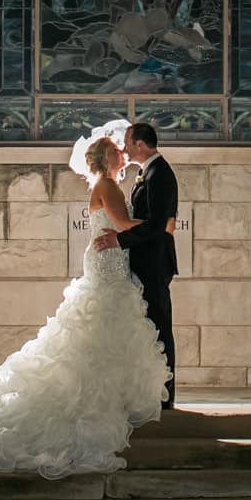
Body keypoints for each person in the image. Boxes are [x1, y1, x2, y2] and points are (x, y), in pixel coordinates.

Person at [0, 122, 171, 477]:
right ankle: (93, 398)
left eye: (124, 148)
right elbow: (120, 222)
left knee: (105, 328)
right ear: (107, 158)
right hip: (108, 262)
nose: (123, 152)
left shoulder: (109, 184)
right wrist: (160, 225)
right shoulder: (108, 186)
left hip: (110, 259)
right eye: (117, 150)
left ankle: (109, 392)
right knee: (102, 324)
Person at [94, 120, 178, 409]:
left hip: (154, 262)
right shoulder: (147, 172)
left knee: (159, 327)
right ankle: (151, 391)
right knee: (149, 327)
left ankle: (165, 396)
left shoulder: (160, 173)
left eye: (128, 143)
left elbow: (157, 224)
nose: (126, 149)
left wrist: (120, 239)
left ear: (140, 145)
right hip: (141, 260)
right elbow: (155, 222)